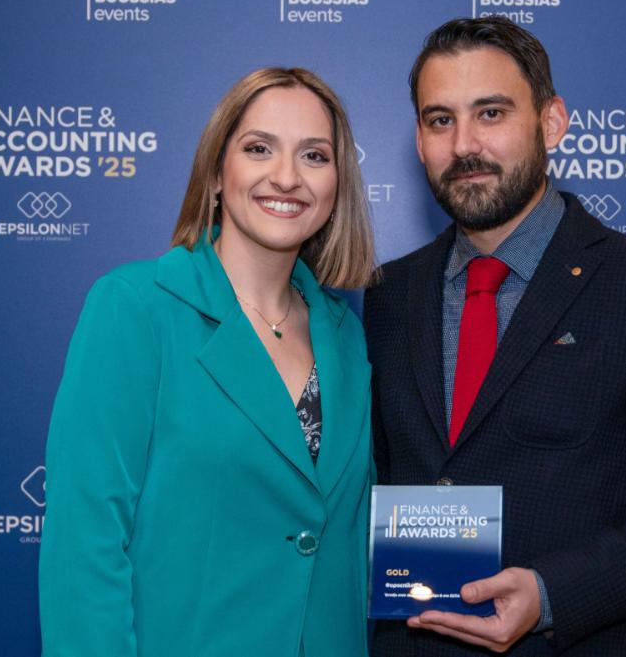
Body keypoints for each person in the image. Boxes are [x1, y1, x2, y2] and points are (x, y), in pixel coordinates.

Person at [363, 17, 626, 656]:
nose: (464, 144)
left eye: (490, 113)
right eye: (440, 120)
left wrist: (553, 593)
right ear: (418, 139)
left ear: (551, 123)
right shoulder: (389, 294)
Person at [39, 67, 377, 657]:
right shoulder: (135, 308)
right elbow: (85, 542)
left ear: (337, 185)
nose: (287, 176)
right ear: (217, 174)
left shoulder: (347, 334)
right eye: (259, 148)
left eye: (314, 156)